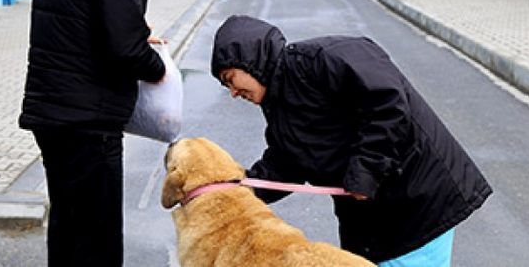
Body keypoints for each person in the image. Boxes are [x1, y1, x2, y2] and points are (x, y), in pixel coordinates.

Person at [210, 15, 492, 266]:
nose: (233, 92)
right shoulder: (280, 105)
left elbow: (389, 102)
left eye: (230, 78)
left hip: (417, 199)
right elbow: (284, 164)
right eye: (225, 86)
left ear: (250, 59)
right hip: (371, 217)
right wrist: (235, 191)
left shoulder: (322, 58)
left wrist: (366, 172)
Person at [18, 0, 177, 266]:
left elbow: (84, 23)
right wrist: (159, 70)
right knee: (98, 238)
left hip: (52, 114)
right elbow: (125, 47)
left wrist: (136, 34)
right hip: (88, 119)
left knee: (68, 225)